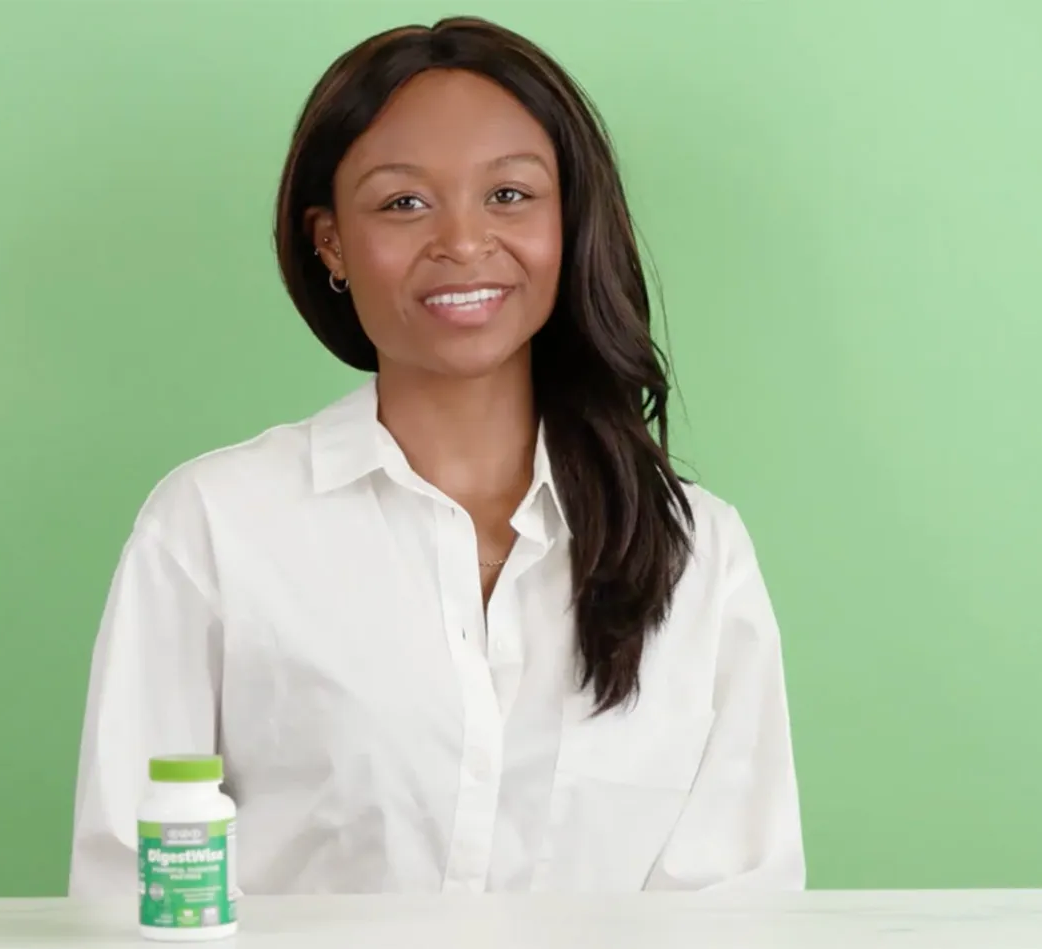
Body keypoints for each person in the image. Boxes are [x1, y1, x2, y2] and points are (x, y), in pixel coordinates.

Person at [69, 16, 803, 896]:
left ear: (568, 223)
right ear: (330, 241)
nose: (461, 242)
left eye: (509, 196)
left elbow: (736, 907)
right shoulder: (215, 528)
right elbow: (133, 889)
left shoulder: (696, 553)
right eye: (403, 202)